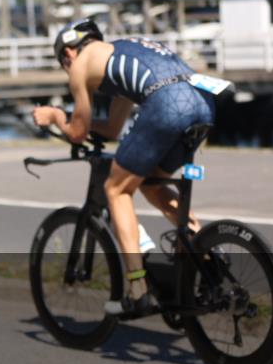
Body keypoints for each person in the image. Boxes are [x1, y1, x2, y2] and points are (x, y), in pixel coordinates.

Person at [32, 19, 216, 317]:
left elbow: (77, 133)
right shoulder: (120, 53)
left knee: (116, 189)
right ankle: (208, 255)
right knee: (151, 184)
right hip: (203, 100)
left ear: (68, 52)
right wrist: (74, 119)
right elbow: (112, 129)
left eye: (63, 63)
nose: (67, 69)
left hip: (167, 103)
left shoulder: (80, 65)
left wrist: (55, 115)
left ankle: (137, 289)